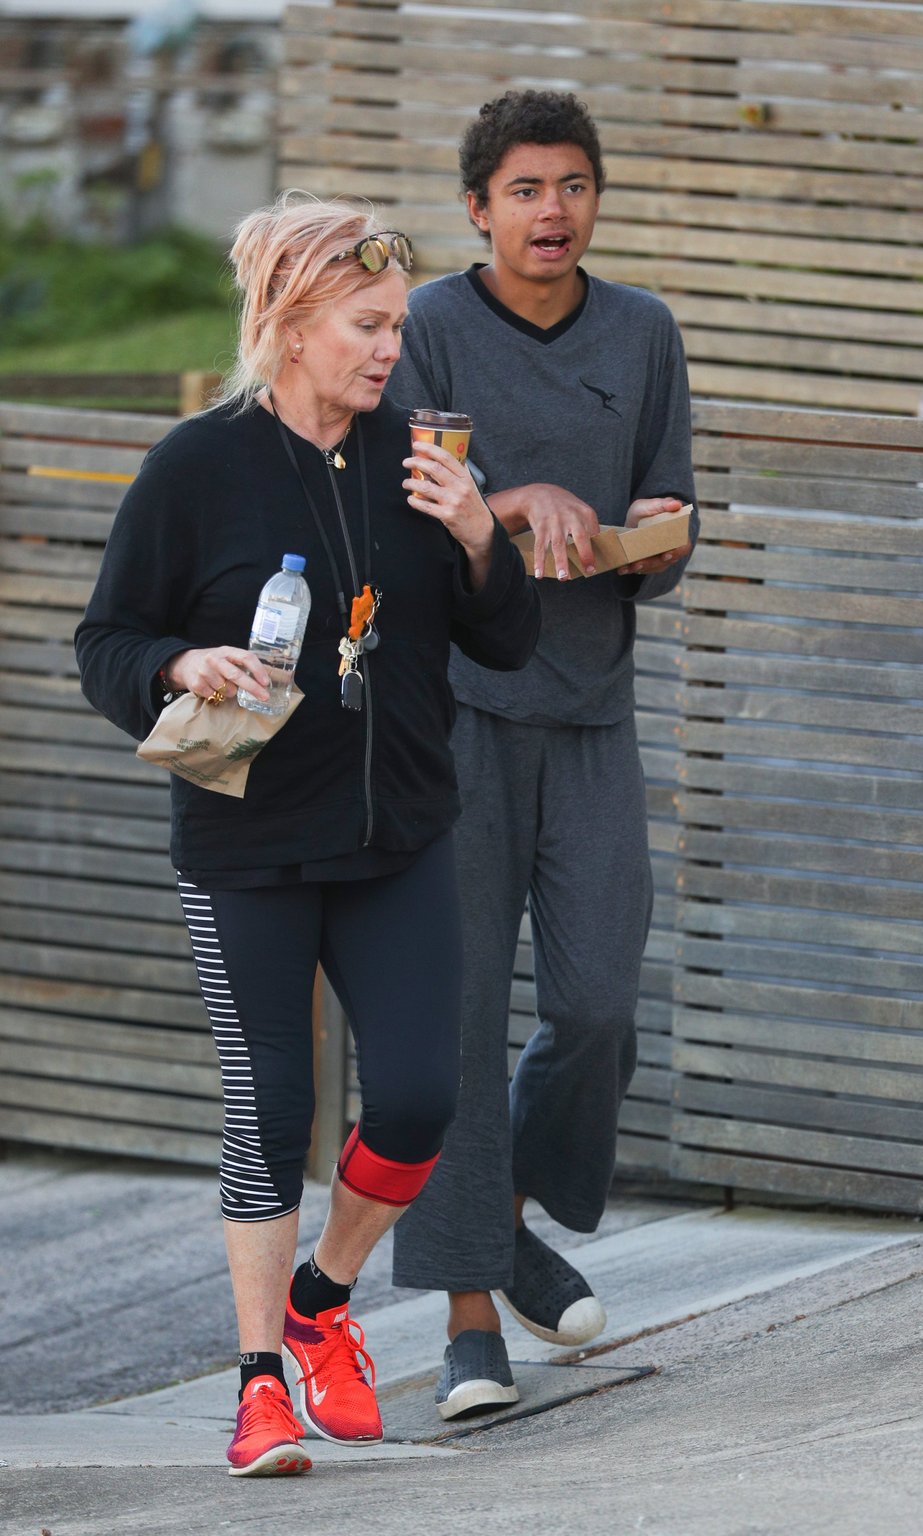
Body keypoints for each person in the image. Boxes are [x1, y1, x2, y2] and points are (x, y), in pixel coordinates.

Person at [75, 193, 540, 1476]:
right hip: (246, 851)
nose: (392, 349)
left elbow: (506, 645)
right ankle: (258, 1386)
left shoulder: (418, 459)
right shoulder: (195, 465)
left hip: (399, 840)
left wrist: (476, 535)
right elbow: (103, 642)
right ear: (288, 321)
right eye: (366, 325)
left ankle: (324, 1302)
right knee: (269, 1111)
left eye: (397, 325)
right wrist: (179, 662)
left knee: (416, 1097)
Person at [389, 89, 699, 1420]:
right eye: (524, 188)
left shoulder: (643, 333)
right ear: (477, 208)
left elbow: (673, 514)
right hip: (455, 712)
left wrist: (659, 534)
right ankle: (470, 1323)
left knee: (595, 1006)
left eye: (572, 185)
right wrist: (511, 503)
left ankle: (503, 1222)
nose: (551, 211)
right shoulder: (428, 331)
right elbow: (403, 529)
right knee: (456, 1023)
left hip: (590, 707)